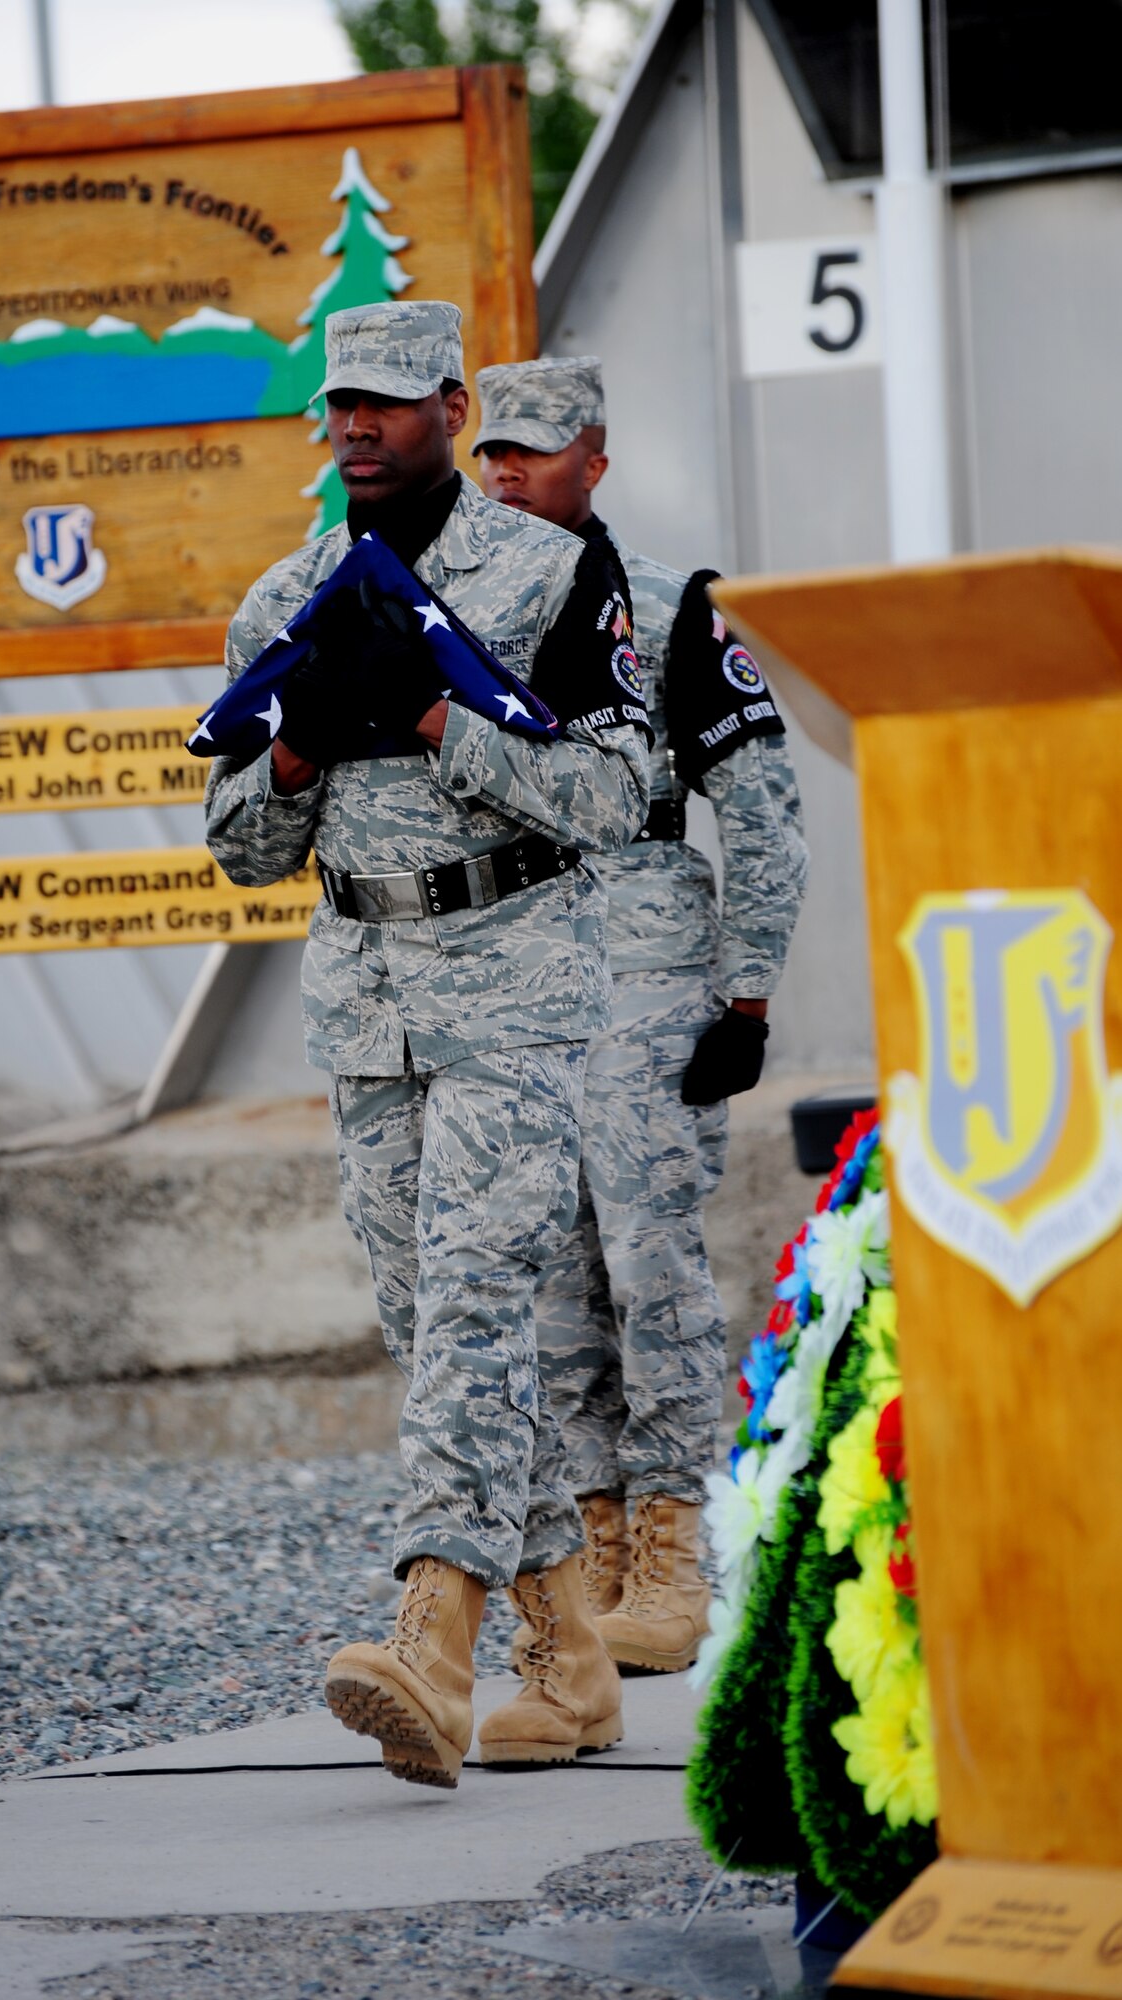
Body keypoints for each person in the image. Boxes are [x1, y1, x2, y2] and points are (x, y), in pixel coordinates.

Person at [205, 301, 655, 1788]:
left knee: (471, 1303)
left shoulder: (548, 578)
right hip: (365, 996)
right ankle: (573, 1662)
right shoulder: (285, 597)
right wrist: (295, 746)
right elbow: (241, 851)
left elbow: (612, 800)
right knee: (435, 1339)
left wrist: (431, 711)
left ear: (451, 408)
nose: (357, 426)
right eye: (340, 402)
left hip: (515, 981)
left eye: (389, 404)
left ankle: (428, 1641)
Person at [474, 356, 808, 1675]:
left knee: (647, 1260)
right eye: (489, 449)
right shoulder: (455, 609)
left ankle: (672, 1547)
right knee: (547, 1275)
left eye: (533, 449)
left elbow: (765, 810)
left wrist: (746, 988)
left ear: (593, 460)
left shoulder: (669, 611)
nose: (504, 469)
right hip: (502, 970)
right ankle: (593, 1544)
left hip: (644, 959)